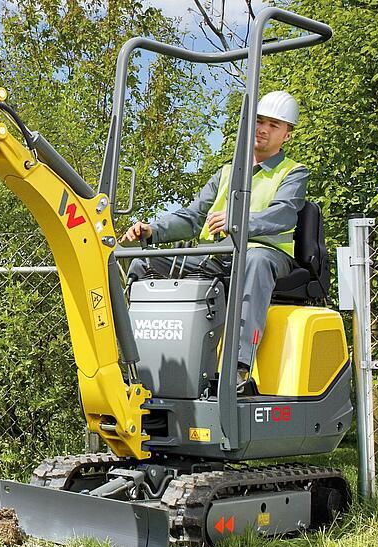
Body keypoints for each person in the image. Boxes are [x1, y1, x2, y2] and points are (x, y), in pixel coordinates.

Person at [121, 90, 307, 392]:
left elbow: (283, 215)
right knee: (144, 261)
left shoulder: (293, 173)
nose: (263, 129)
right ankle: (133, 360)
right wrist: (152, 230)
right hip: (217, 255)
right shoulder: (226, 173)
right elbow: (193, 217)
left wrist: (238, 223)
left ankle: (238, 366)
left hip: (265, 255)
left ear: (287, 134)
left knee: (255, 260)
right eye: (259, 121)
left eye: (274, 125)